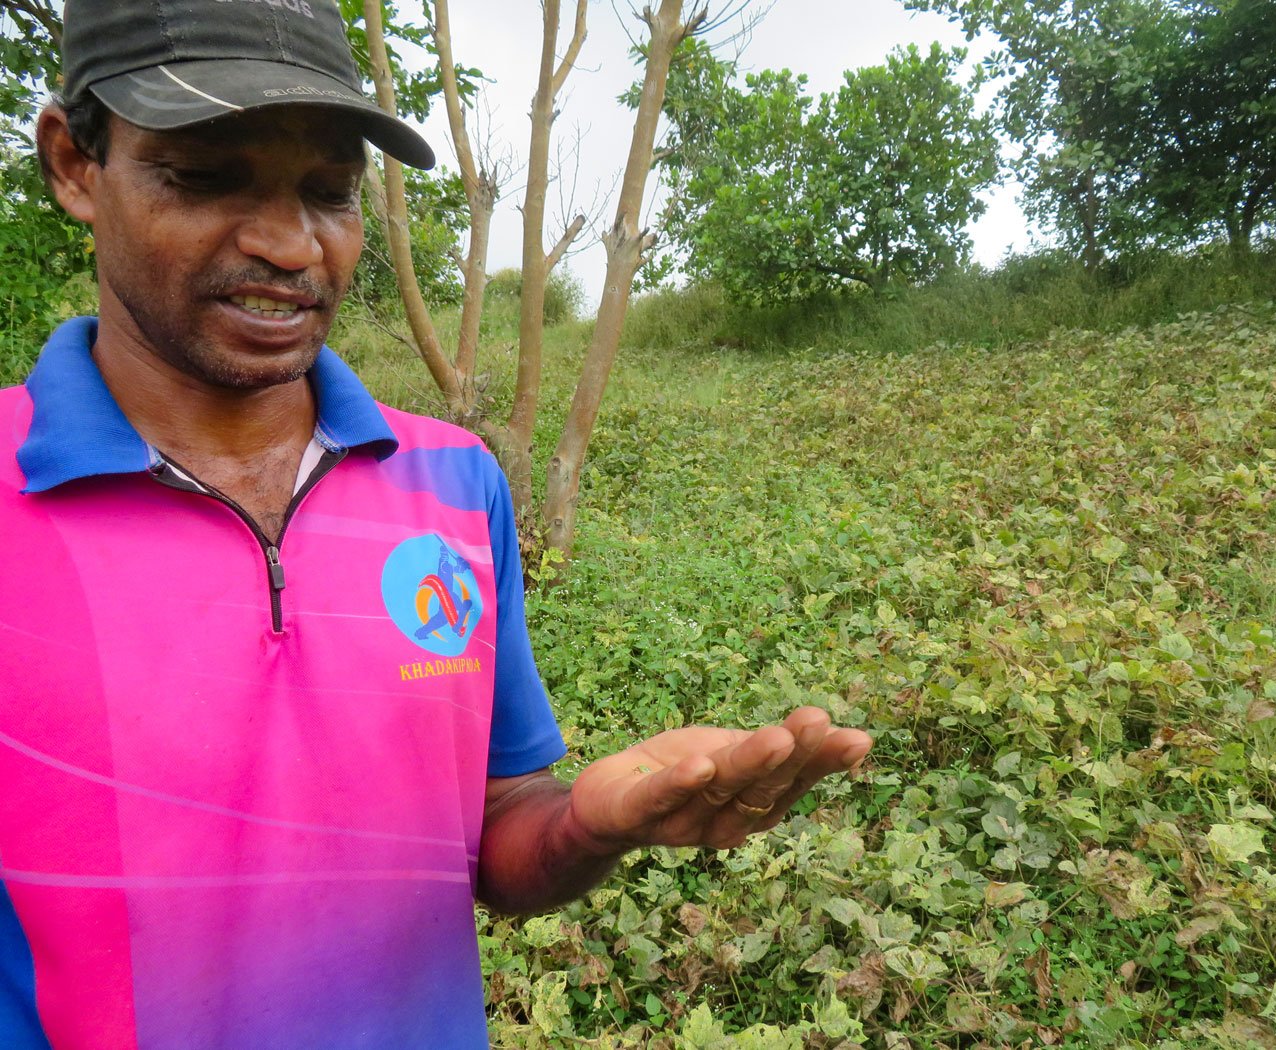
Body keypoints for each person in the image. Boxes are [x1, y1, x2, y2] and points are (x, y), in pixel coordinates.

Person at [0, 0, 872, 1046]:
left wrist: (586, 828)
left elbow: (501, 835)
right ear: (74, 164)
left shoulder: (455, 485)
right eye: (206, 174)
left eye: (327, 192)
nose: (289, 243)